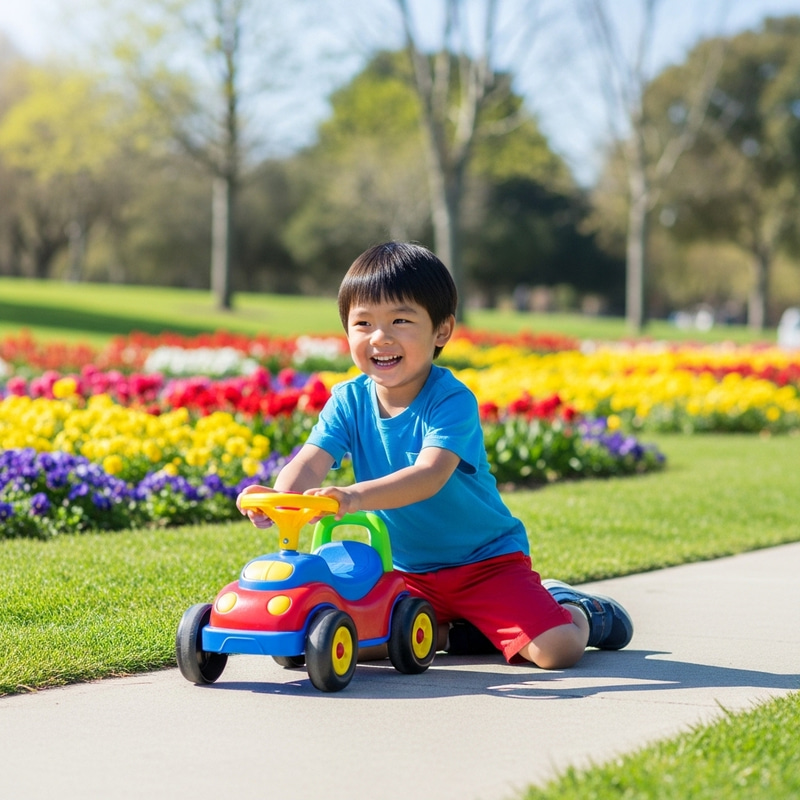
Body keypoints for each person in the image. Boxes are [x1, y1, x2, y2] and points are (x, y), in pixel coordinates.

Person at [237, 241, 632, 669]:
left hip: (484, 563)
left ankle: (574, 607)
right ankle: (452, 634)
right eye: (363, 323)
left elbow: (428, 475)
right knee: (341, 641)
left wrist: (354, 497)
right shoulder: (348, 400)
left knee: (557, 651)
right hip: (404, 572)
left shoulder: (450, 400)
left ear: (441, 331)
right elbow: (311, 459)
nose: (380, 337)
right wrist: (282, 499)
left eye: (401, 320)